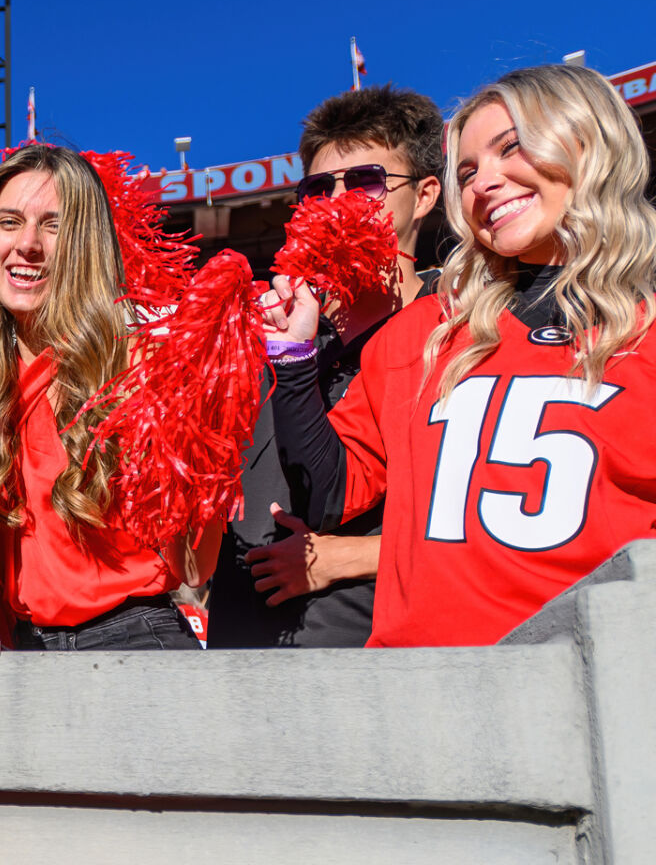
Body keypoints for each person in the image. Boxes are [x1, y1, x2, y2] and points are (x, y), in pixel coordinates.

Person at [264, 63, 656, 646]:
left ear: (590, 145)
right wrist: (294, 354)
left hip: (593, 681)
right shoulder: (419, 334)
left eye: (510, 148)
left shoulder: (644, 332)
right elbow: (329, 496)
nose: (483, 183)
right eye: (467, 171)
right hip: (418, 687)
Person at [0, 147, 221, 650]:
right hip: (26, 650)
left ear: (85, 243)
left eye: (54, 225)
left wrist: (207, 435)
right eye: (10, 221)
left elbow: (195, 565)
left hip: (136, 638)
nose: (27, 244)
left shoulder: (138, 363)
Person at [211, 86, 444, 648]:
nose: (337, 202)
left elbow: (487, 516)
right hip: (242, 643)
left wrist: (349, 556)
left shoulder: (458, 326)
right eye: (318, 188)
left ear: (426, 194)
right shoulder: (276, 332)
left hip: (370, 649)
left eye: (365, 181)